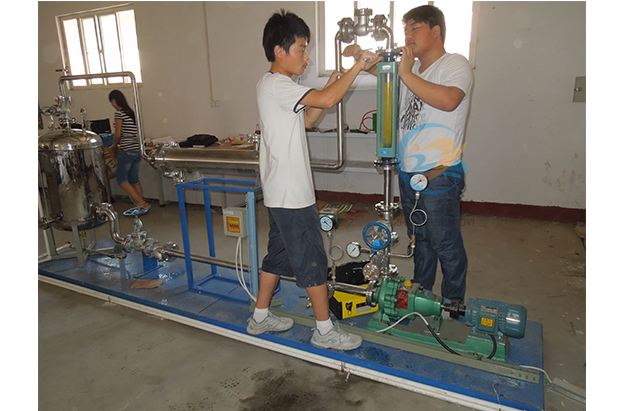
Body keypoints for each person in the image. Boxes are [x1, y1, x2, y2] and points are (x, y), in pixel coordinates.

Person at [248, 9, 380, 350]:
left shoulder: (273, 85)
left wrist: (332, 82)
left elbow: (308, 119)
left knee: (278, 255)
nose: (306, 57)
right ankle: (324, 330)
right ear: (280, 51)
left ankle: (260, 317)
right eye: (302, 49)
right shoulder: (279, 85)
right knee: (311, 258)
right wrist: (358, 66)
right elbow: (330, 98)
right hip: (292, 194)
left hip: (280, 191)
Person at [344, 5, 473, 302]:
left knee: (445, 242)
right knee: (421, 240)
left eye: (414, 28)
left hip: (439, 173)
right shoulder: (411, 71)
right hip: (408, 172)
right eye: (405, 30)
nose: (408, 36)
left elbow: (449, 100)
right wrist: (360, 56)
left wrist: (404, 71)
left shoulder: (455, 64)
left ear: (436, 31)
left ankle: (453, 304)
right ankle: (420, 296)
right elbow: (385, 74)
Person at [108, 89, 149, 209]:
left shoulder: (119, 114)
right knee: (134, 180)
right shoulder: (130, 113)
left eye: (111, 102)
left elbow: (118, 134)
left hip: (126, 151)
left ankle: (141, 203)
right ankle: (141, 205)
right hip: (136, 150)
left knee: (121, 180)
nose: (112, 104)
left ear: (114, 100)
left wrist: (114, 145)